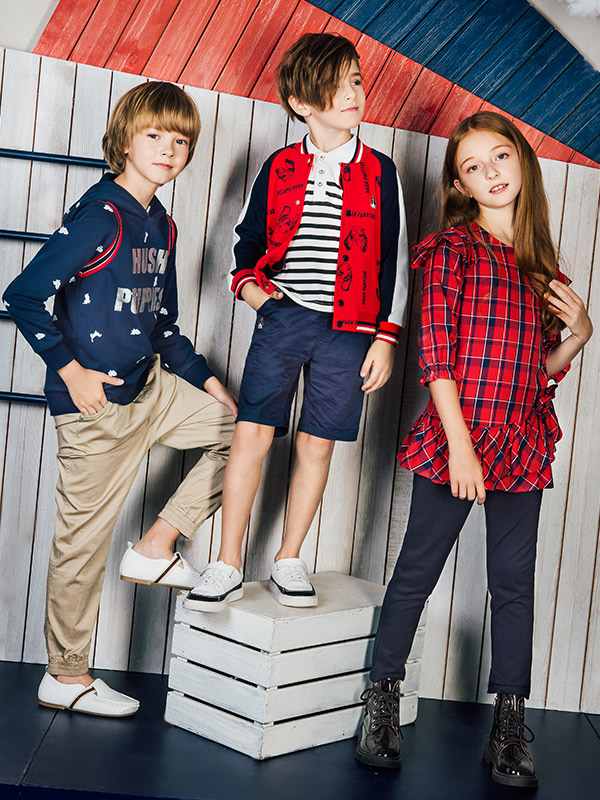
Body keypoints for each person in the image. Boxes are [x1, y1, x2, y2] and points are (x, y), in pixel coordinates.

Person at [354, 111, 593, 785]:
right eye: (472, 167)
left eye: (500, 157)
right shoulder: (450, 250)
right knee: (416, 572)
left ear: (522, 162)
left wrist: (579, 335)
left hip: (521, 441)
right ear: (459, 185)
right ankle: (382, 701)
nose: (490, 173)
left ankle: (509, 727)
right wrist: (460, 449)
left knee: (514, 585)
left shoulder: (541, 267)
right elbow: (436, 358)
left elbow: (536, 372)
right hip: (456, 436)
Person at [3, 82, 236, 717]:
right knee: (80, 547)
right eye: (154, 135)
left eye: (180, 140)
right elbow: (22, 295)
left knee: (245, 432)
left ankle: (157, 544)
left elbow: (162, 324)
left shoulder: (162, 224)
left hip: (151, 387)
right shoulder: (101, 217)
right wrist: (69, 370)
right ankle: (66, 677)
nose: (168, 149)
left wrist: (209, 383)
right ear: (125, 139)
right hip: (97, 409)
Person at [183, 33, 408, 612]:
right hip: (283, 321)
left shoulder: (381, 171)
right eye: (337, 86)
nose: (353, 94)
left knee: (317, 444)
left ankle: (288, 557)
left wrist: (385, 338)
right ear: (302, 103)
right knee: (251, 434)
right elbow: (245, 243)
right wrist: (261, 300)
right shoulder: (280, 166)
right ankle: (227, 563)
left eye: (356, 81)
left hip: (350, 332)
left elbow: (395, 260)